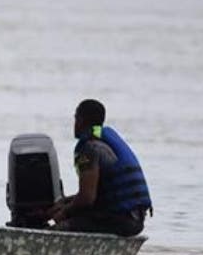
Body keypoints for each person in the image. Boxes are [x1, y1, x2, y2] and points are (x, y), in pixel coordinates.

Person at [47, 99, 152, 236]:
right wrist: (63, 203)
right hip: (135, 218)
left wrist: (64, 212)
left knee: (61, 228)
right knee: (73, 213)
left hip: (121, 220)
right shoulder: (105, 141)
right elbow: (94, 196)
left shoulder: (89, 148)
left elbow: (87, 198)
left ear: (81, 119)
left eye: (76, 118)